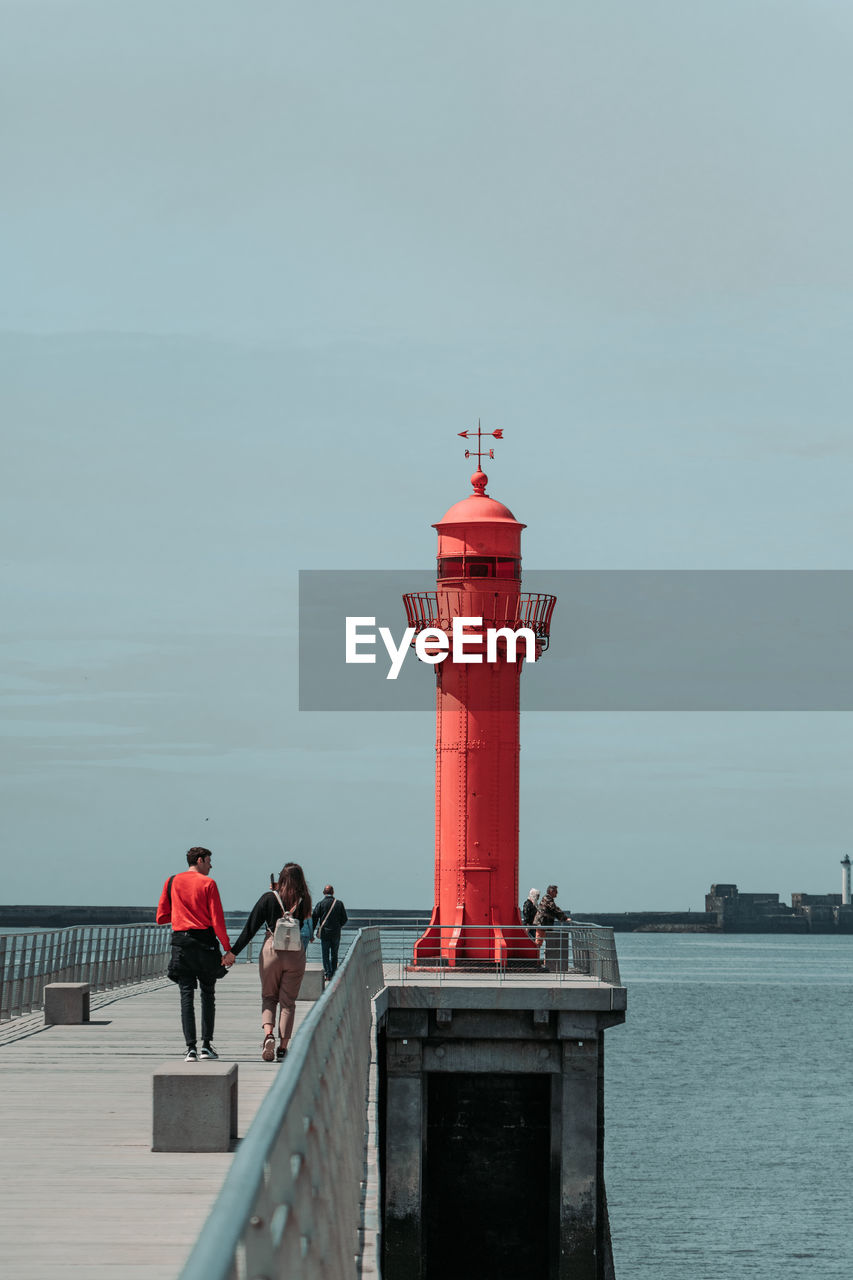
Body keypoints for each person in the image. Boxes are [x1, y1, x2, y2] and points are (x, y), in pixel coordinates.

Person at [156, 847, 235, 1061]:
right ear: (199, 860)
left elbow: (161, 917)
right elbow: (217, 920)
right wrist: (227, 949)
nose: (211, 865)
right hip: (205, 944)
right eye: (209, 861)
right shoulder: (208, 884)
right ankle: (206, 1046)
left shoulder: (171, 881)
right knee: (208, 995)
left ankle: (190, 1048)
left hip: (182, 943)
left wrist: (183, 912)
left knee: (186, 995)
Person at [231, 863, 312, 1063]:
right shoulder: (305, 901)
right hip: (295, 953)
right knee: (288, 1003)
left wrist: (233, 953)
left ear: (280, 879)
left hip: (271, 951)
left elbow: (250, 929)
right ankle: (283, 1048)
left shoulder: (268, 898)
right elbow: (307, 923)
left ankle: (268, 1035)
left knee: (269, 997)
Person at [311, 884, 348, 983]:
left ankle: (328, 974)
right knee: (334, 954)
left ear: (324, 893)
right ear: (333, 892)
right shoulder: (339, 904)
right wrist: (338, 926)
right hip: (336, 933)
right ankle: (334, 973)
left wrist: (312, 932)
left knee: (325, 954)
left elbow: (314, 917)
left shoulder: (321, 904)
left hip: (325, 933)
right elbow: (345, 919)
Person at [533, 883, 570, 948]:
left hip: (544, 924)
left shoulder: (547, 899)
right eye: (556, 891)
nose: (557, 893)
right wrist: (564, 918)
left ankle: (540, 957)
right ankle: (535, 957)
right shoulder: (547, 898)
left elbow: (554, 909)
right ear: (551, 891)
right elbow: (554, 908)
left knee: (545, 942)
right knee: (540, 942)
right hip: (542, 924)